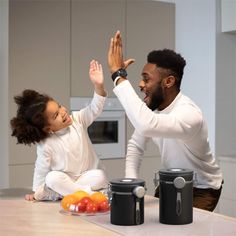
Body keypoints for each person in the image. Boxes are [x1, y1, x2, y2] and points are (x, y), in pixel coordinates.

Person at [107, 31, 223, 211]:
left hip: (202, 188)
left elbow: (146, 124)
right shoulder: (152, 111)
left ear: (168, 81)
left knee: (185, 229)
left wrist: (118, 76)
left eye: (146, 79)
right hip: (171, 180)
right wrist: (131, 184)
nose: (140, 84)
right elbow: (136, 146)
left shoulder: (189, 115)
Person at [10, 60, 108, 201]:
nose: (63, 112)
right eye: (56, 115)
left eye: (60, 106)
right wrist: (36, 192)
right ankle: (87, 195)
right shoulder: (46, 145)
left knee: (101, 175)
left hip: (87, 178)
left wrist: (98, 86)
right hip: (65, 180)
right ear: (48, 128)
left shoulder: (78, 120)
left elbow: (95, 108)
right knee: (52, 178)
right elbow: (41, 170)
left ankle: (68, 194)